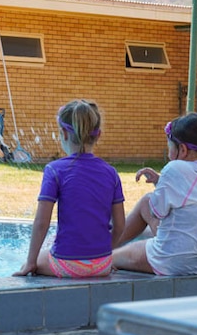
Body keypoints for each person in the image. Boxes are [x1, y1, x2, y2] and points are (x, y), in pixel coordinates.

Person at [14, 99, 125, 278]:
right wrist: (105, 255)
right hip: (103, 264)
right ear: (99, 135)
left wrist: (30, 262)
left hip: (68, 265)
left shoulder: (55, 170)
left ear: (64, 133)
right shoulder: (111, 172)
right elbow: (120, 225)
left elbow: (42, 222)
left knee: (30, 260)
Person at [111, 112, 197, 275]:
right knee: (147, 200)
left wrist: (164, 183)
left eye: (169, 148)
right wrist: (160, 183)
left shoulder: (174, 168)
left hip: (172, 261)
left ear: (182, 149)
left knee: (110, 257)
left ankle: (101, 250)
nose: (168, 155)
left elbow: (157, 212)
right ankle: (109, 244)